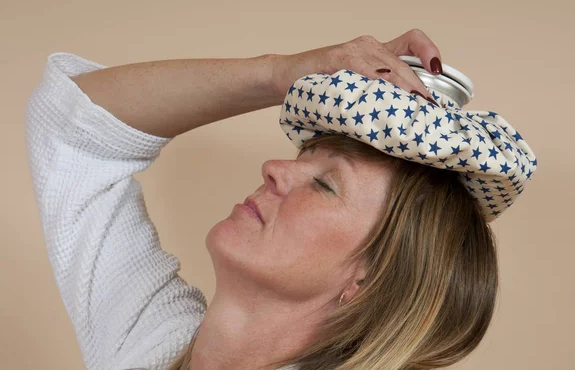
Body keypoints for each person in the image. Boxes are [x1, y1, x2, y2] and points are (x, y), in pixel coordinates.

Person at [24, 29, 498, 370]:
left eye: (326, 184)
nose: (276, 169)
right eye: (305, 156)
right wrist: (278, 74)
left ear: (369, 282)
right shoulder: (154, 345)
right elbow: (70, 130)